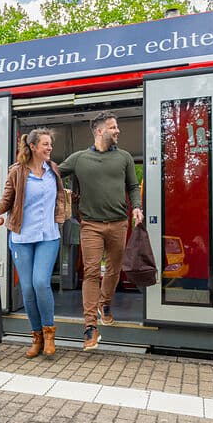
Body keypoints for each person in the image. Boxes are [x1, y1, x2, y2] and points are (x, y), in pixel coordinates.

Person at [58, 111, 143, 351]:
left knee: (114, 270)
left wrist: (137, 207)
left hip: (119, 223)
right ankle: (89, 327)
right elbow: (52, 174)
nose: (118, 131)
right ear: (99, 131)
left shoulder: (124, 157)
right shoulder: (79, 158)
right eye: (113, 127)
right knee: (92, 272)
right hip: (91, 225)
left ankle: (104, 303)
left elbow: (133, 186)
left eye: (117, 127)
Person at [0, 128, 66, 358]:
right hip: (22, 238)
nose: (49, 148)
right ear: (33, 147)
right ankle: (36, 337)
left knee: (41, 283)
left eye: (50, 144)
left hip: (48, 236)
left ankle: (49, 334)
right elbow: (6, 199)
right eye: (45, 144)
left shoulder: (53, 170)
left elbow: (61, 196)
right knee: (28, 288)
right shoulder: (17, 171)